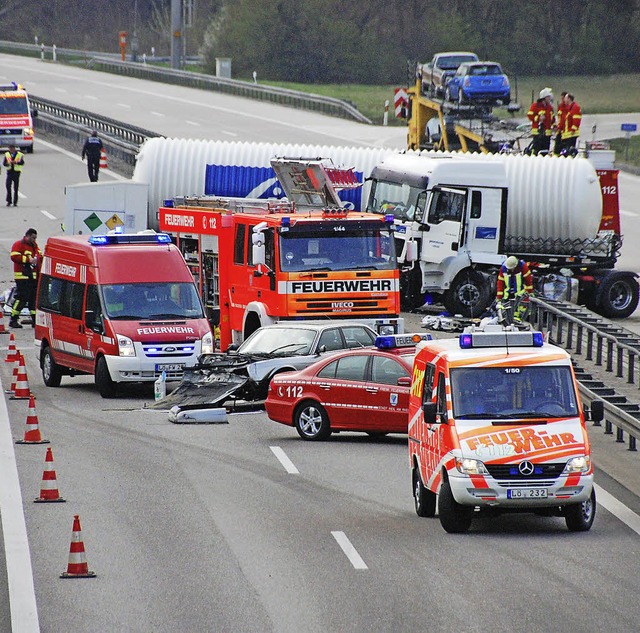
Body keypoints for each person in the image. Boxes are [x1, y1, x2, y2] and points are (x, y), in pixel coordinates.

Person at [9, 228, 42, 328]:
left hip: (33, 277)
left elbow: (39, 256)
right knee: (22, 297)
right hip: (22, 276)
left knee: (33, 299)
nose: (34, 240)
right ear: (27, 236)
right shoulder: (19, 244)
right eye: (32, 238)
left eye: (35, 238)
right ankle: (13, 319)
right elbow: (14, 256)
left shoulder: (34, 246)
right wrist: (28, 260)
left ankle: (34, 320)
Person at [496, 256, 534, 323]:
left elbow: (528, 281)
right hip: (508, 294)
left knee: (520, 310)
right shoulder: (504, 268)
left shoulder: (522, 266)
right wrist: (499, 297)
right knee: (505, 309)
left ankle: (518, 320)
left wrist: (529, 292)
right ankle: (508, 321)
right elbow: (500, 282)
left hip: (520, 294)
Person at [527, 88, 555, 155]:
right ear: (544, 98)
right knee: (536, 149)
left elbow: (553, 119)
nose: (549, 99)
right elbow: (530, 116)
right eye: (548, 97)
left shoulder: (550, 107)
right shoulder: (535, 106)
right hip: (538, 132)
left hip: (547, 134)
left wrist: (554, 126)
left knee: (545, 151)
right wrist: (538, 118)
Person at [553, 91, 568, 156]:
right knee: (557, 147)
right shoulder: (560, 106)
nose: (562, 100)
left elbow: (564, 119)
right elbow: (560, 118)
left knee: (564, 147)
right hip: (560, 130)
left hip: (565, 131)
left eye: (564, 98)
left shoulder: (569, 106)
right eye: (562, 99)